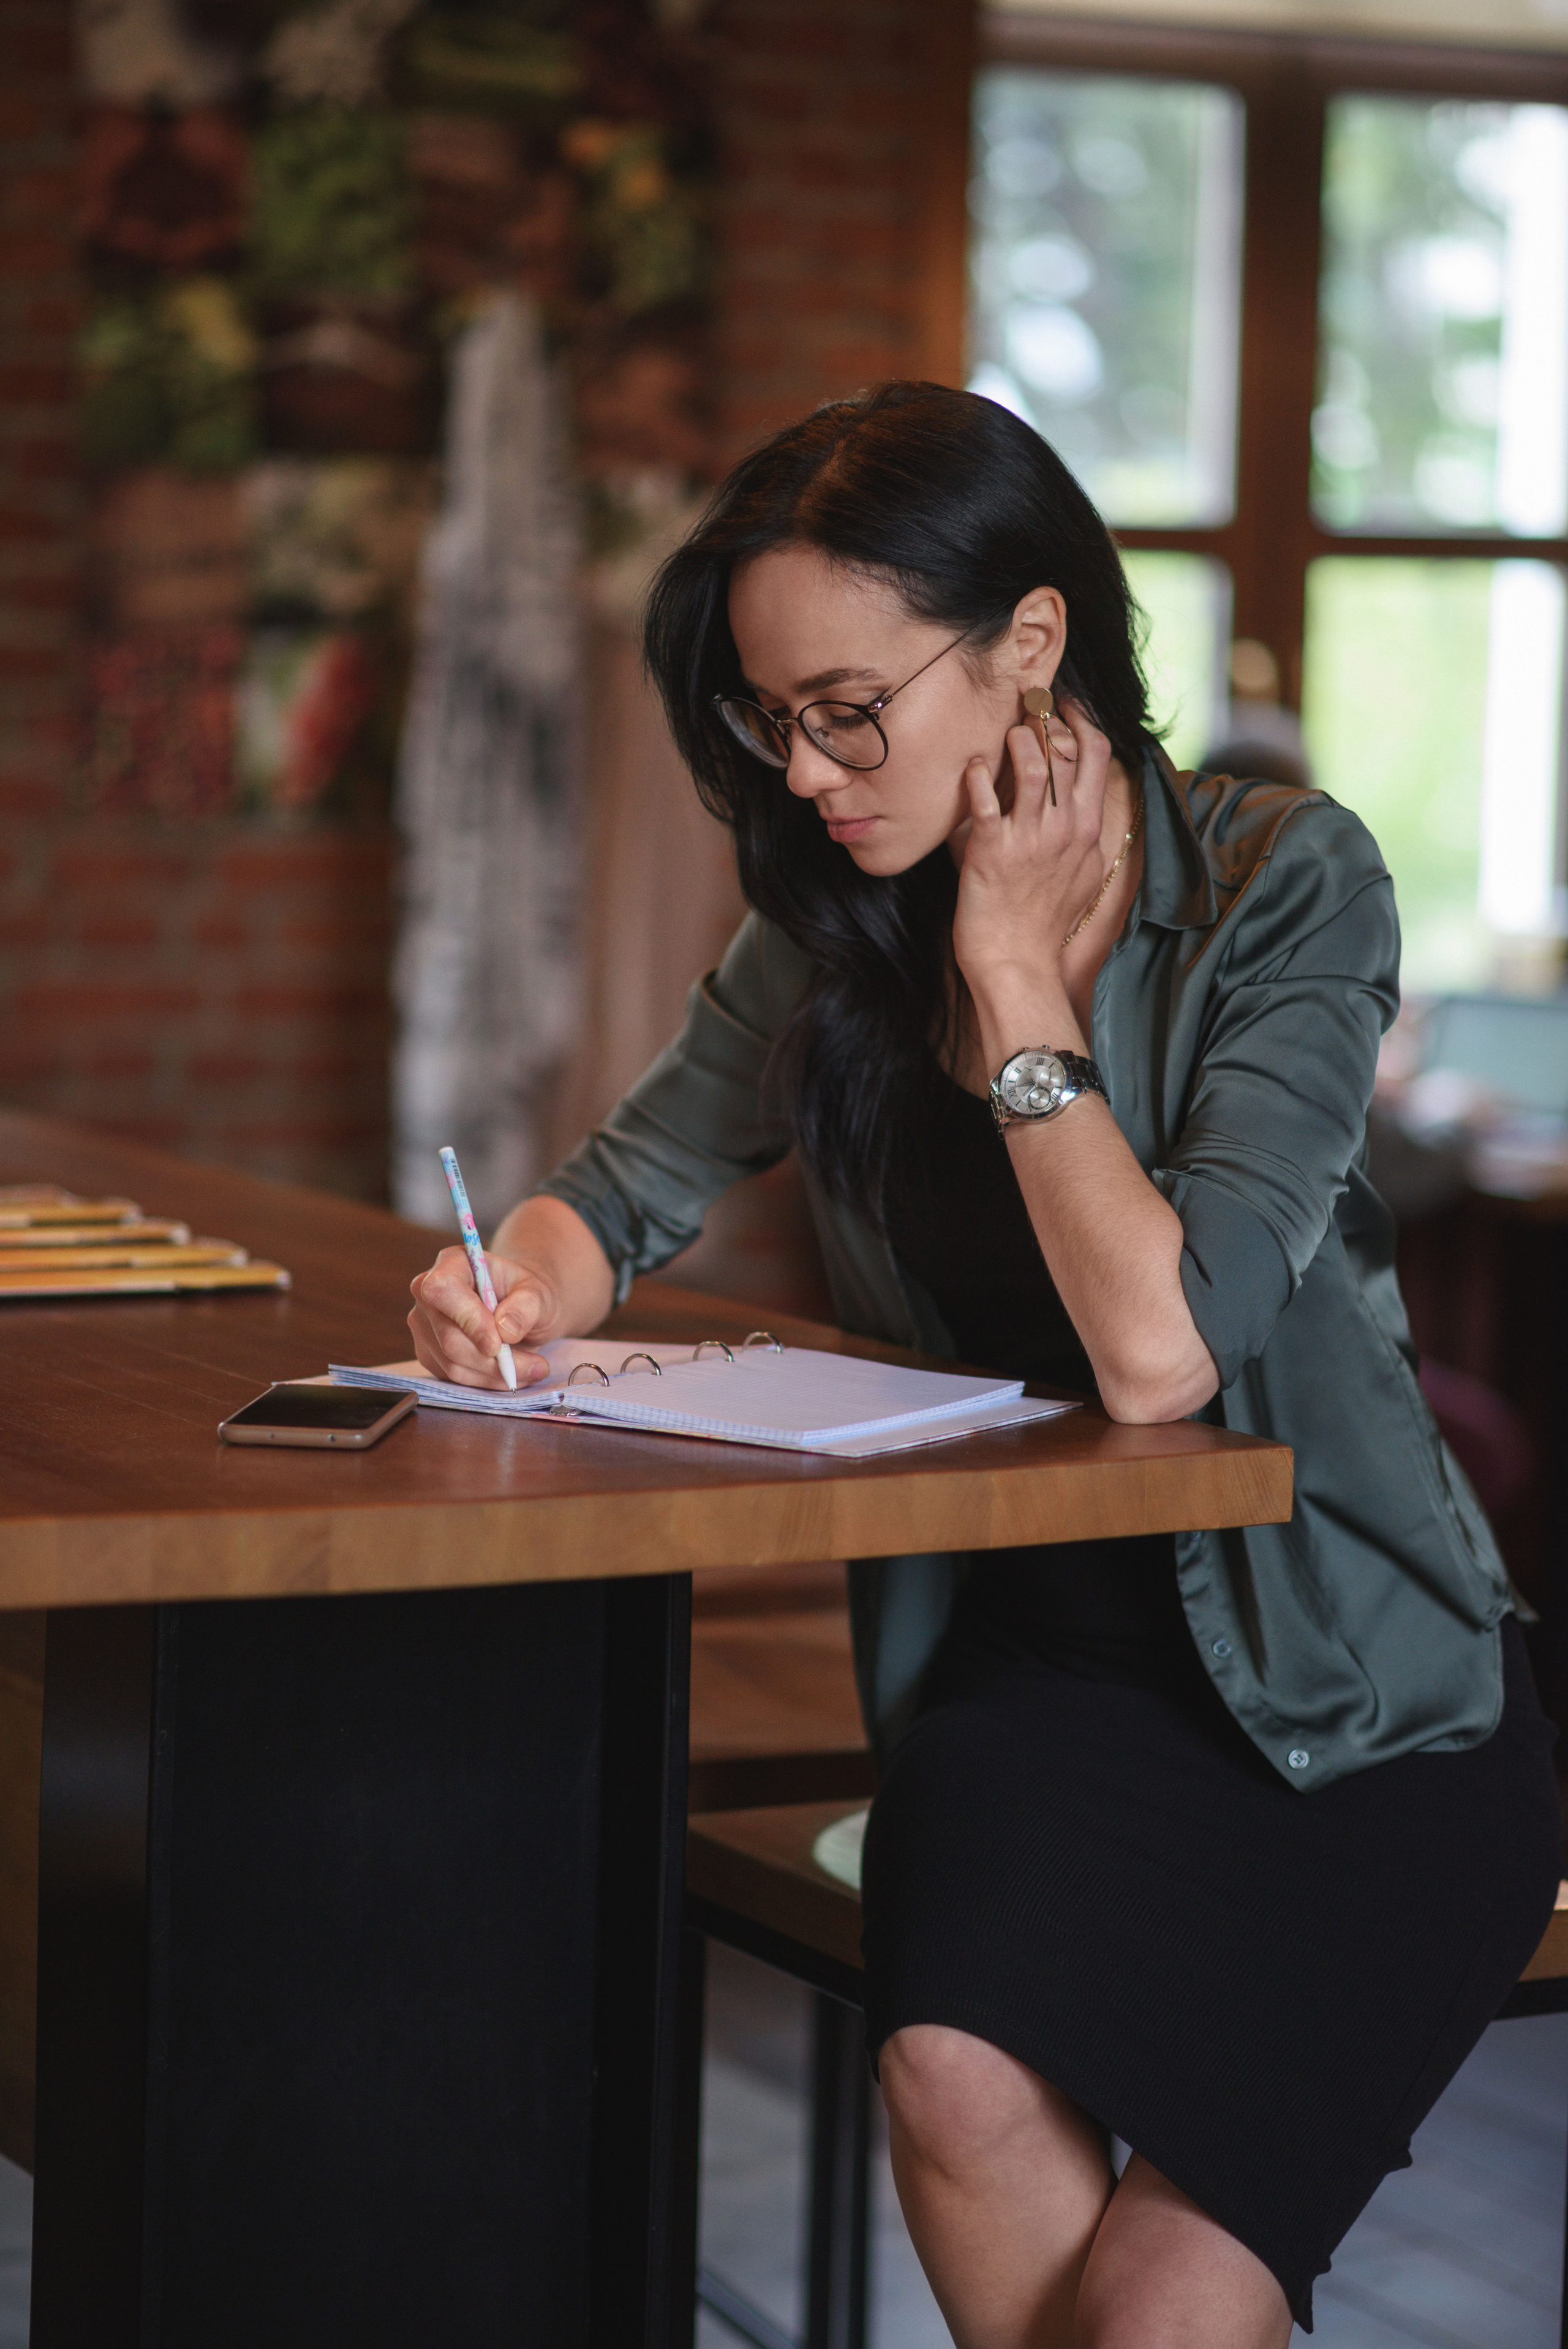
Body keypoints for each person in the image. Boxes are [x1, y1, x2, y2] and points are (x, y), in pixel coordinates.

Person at [407, 382, 1561, 2348]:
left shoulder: (1291, 881)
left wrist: (1018, 982)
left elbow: (1159, 1349)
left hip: (1370, 1705)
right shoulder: (836, 914)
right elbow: (617, 1192)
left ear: (1030, 642)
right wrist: (507, 1279)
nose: (806, 770)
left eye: (847, 708)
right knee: (946, 2070)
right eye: (775, 720)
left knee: (1173, 2299)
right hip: (1027, 1683)